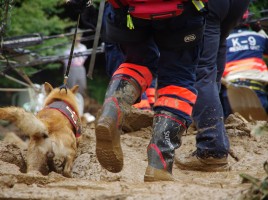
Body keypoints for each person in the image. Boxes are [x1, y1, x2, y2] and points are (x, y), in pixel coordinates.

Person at [92, 0, 208, 182]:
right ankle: (159, 162)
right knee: (178, 78)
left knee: (135, 63)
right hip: (182, 11)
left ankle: (113, 109)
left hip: (127, 10)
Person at [175, 1, 250, 171]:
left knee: (201, 70)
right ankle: (214, 132)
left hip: (209, 5)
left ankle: (212, 149)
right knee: (214, 57)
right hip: (238, 4)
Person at [220, 16, 268, 117]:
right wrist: (259, 30)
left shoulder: (222, 41)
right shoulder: (258, 37)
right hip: (257, 87)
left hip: (231, 89)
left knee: (231, 122)